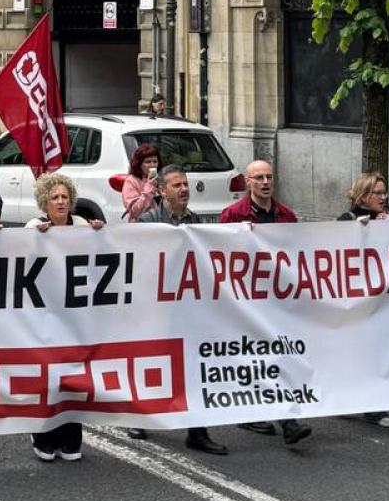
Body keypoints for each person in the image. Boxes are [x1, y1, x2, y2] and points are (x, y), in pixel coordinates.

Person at [130, 166, 229, 455]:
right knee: (151, 364)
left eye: (185, 184)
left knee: (192, 367)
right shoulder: (147, 221)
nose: (184, 189)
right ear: (161, 191)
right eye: (177, 185)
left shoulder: (194, 221)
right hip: (155, 307)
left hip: (186, 307)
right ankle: (139, 417)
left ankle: (197, 431)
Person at [218, 159, 310, 446]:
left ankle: (286, 418)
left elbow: (298, 253)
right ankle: (267, 415)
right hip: (247, 299)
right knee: (253, 357)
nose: (265, 182)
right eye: (259, 178)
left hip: (277, 298)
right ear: (248, 182)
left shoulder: (286, 216)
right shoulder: (233, 215)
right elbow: (218, 255)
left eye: (269, 177)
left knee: (279, 355)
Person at [24, 172, 104, 464]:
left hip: (75, 318)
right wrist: (35, 240)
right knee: (48, 376)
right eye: (54, 197)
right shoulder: (33, 227)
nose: (60, 202)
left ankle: (71, 435)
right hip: (45, 316)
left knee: (73, 376)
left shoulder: (83, 226)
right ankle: (42, 433)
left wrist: (99, 234)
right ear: (44, 202)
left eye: (64, 197)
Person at [337, 171, 389, 430]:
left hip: (384, 300)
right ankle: (370, 407)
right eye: (377, 193)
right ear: (363, 196)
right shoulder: (347, 219)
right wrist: (356, 232)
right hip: (357, 301)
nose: (384, 197)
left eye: (385, 192)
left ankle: (363, 401)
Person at [121, 143, 160, 220]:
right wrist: (149, 188)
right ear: (139, 164)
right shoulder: (131, 181)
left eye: (155, 161)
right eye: (148, 162)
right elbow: (135, 212)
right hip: (141, 225)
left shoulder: (161, 178)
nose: (152, 165)